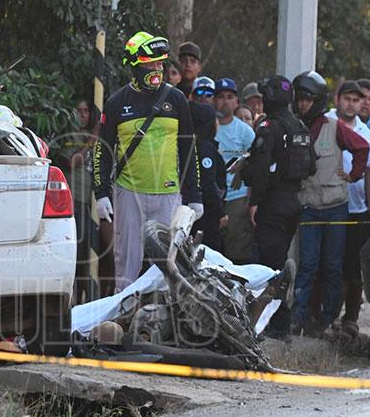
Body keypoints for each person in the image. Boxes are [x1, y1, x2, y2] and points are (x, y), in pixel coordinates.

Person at [93, 32, 203, 291]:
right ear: (135, 65)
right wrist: (101, 193)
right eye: (150, 63)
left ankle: (166, 325)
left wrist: (194, 194)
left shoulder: (176, 99)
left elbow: (188, 149)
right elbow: (103, 150)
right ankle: (121, 324)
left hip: (168, 194)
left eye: (160, 63)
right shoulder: (117, 102)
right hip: (129, 192)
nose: (157, 68)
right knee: (126, 265)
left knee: (169, 267)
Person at [289, 74, 370, 338]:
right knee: (308, 265)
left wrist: (354, 174)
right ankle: (298, 319)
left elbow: (362, 147)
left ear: (319, 100)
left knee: (333, 267)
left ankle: (327, 320)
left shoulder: (333, 127)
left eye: (308, 99)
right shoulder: (293, 126)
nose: (303, 105)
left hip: (335, 206)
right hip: (308, 206)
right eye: (300, 99)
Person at [240, 76, 312, 338]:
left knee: (267, 267)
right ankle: (279, 321)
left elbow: (259, 172)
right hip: (294, 202)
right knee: (279, 261)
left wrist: (254, 200)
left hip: (272, 203)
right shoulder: (299, 126)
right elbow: (310, 166)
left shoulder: (270, 127)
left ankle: (274, 324)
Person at [325, 80, 370, 339]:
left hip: (356, 208)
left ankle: (351, 318)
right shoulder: (325, 123)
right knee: (328, 263)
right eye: (348, 99)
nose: (353, 104)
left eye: (358, 100)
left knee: (354, 266)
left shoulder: (366, 133)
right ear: (337, 99)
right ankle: (326, 316)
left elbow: (369, 173)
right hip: (328, 204)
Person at [53, 100, 100, 302]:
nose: (82, 115)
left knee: (95, 255)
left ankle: (92, 298)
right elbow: (72, 163)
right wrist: (91, 142)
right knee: (79, 255)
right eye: (78, 111)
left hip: (96, 204)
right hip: (76, 201)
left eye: (86, 111)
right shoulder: (69, 138)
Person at [213, 77, 256, 264]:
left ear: (236, 101)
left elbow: (255, 166)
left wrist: (251, 201)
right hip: (211, 198)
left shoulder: (245, 132)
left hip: (237, 199)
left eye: (230, 97)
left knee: (237, 254)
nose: (225, 101)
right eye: (220, 96)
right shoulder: (207, 125)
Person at [188, 102, 227, 250]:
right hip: (206, 214)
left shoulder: (194, 146)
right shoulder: (204, 148)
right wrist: (220, 212)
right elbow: (208, 182)